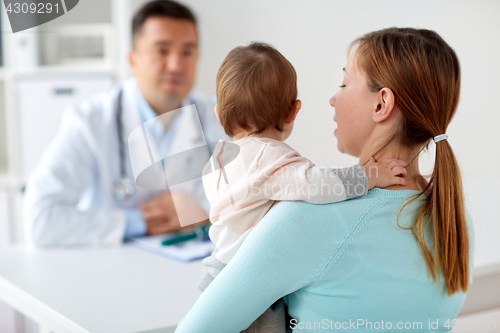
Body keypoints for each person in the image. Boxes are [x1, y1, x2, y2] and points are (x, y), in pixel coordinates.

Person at [175, 28, 474, 332]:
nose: (333, 98)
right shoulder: (454, 219)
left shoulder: (307, 217)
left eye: (344, 82)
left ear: (381, 104)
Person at [198, 42, 407, 292]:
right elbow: (318, 184)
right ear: (293, 111)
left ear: (219, 114)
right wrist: (370, 175)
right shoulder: (267, 158)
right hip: (244, 279)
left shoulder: (219, 158)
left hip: (218, 268)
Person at [23, 0, 228, 247]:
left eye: (187, 52)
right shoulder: (89, 121)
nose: (176, 65)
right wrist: (138, 221)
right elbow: (40, 222)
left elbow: (257, 197)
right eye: (161, 50)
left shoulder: (219, 116)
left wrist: (201, 209)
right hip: (110, 270)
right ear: (133, 60)